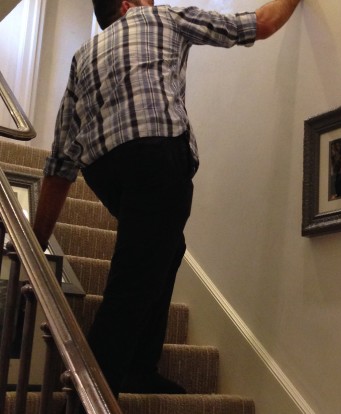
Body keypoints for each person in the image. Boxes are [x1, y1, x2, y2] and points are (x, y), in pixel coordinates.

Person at [32, 0, 302, 399]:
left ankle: (139, 367)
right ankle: (88, 393)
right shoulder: (163, 17)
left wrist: (36, 242)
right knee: (133, 280)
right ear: (128, 5)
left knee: (167, 248)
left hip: (104, 171)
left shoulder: (82, 56)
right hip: (154, 154)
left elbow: (60, 164)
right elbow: (261, 24)